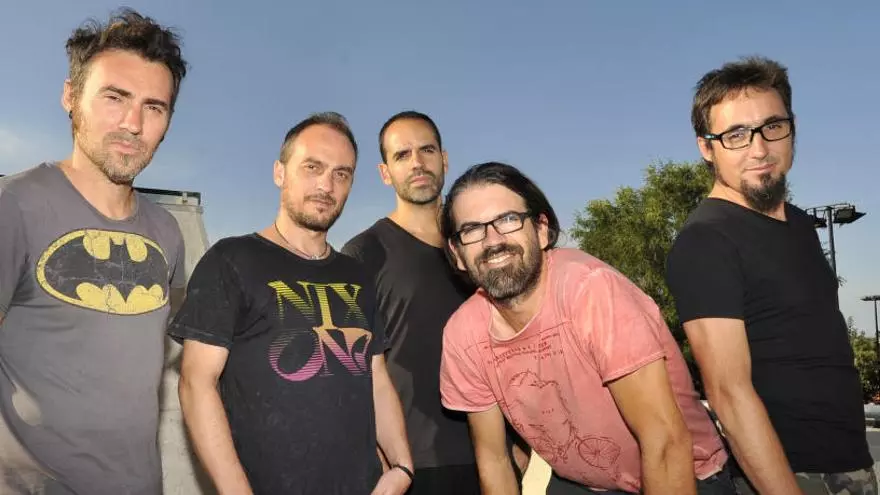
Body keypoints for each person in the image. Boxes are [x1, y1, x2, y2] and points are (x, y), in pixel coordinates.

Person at [437, 162, 735, 495]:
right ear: (457, 253)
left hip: (685, 474)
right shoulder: (464, 334)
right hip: (584, 483)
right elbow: (494, 461)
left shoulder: (591, 291)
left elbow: (664, 440)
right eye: (472, 229)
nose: (493, 240)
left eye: (508, 220)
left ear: (541, 229)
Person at [169, 112, 413, 495]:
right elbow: (196, 383)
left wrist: (402, 466)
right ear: (280, 173)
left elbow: (377, 379)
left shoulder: (357, 276)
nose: (326, 185)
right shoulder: (230, 260)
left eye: (341, 173)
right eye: (312, 167)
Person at [665, 56, 877, 495]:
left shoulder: (799, 224)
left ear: (792, 128)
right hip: (786, 475)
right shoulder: (706, 240)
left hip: (850, 462)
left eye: (772, 126)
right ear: (706, 147)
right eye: (736, 135)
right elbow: (728, 393)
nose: (759, 149)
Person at [0, 8, 188, 494]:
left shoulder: (167, 232)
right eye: (114, 97)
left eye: (154, 107)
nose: (133, 123)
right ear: (70, 96)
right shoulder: (14, 206)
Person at [342, 111, 527, 493]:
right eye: (402, 155)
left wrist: (521, 443)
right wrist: (382, 456)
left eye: (426, 150)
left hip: (497, 458)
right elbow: (350, 369)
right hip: (417, 466)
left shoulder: (481, 244)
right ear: (384, 173)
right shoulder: (363, 254)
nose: (417, 163)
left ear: (444, 159)